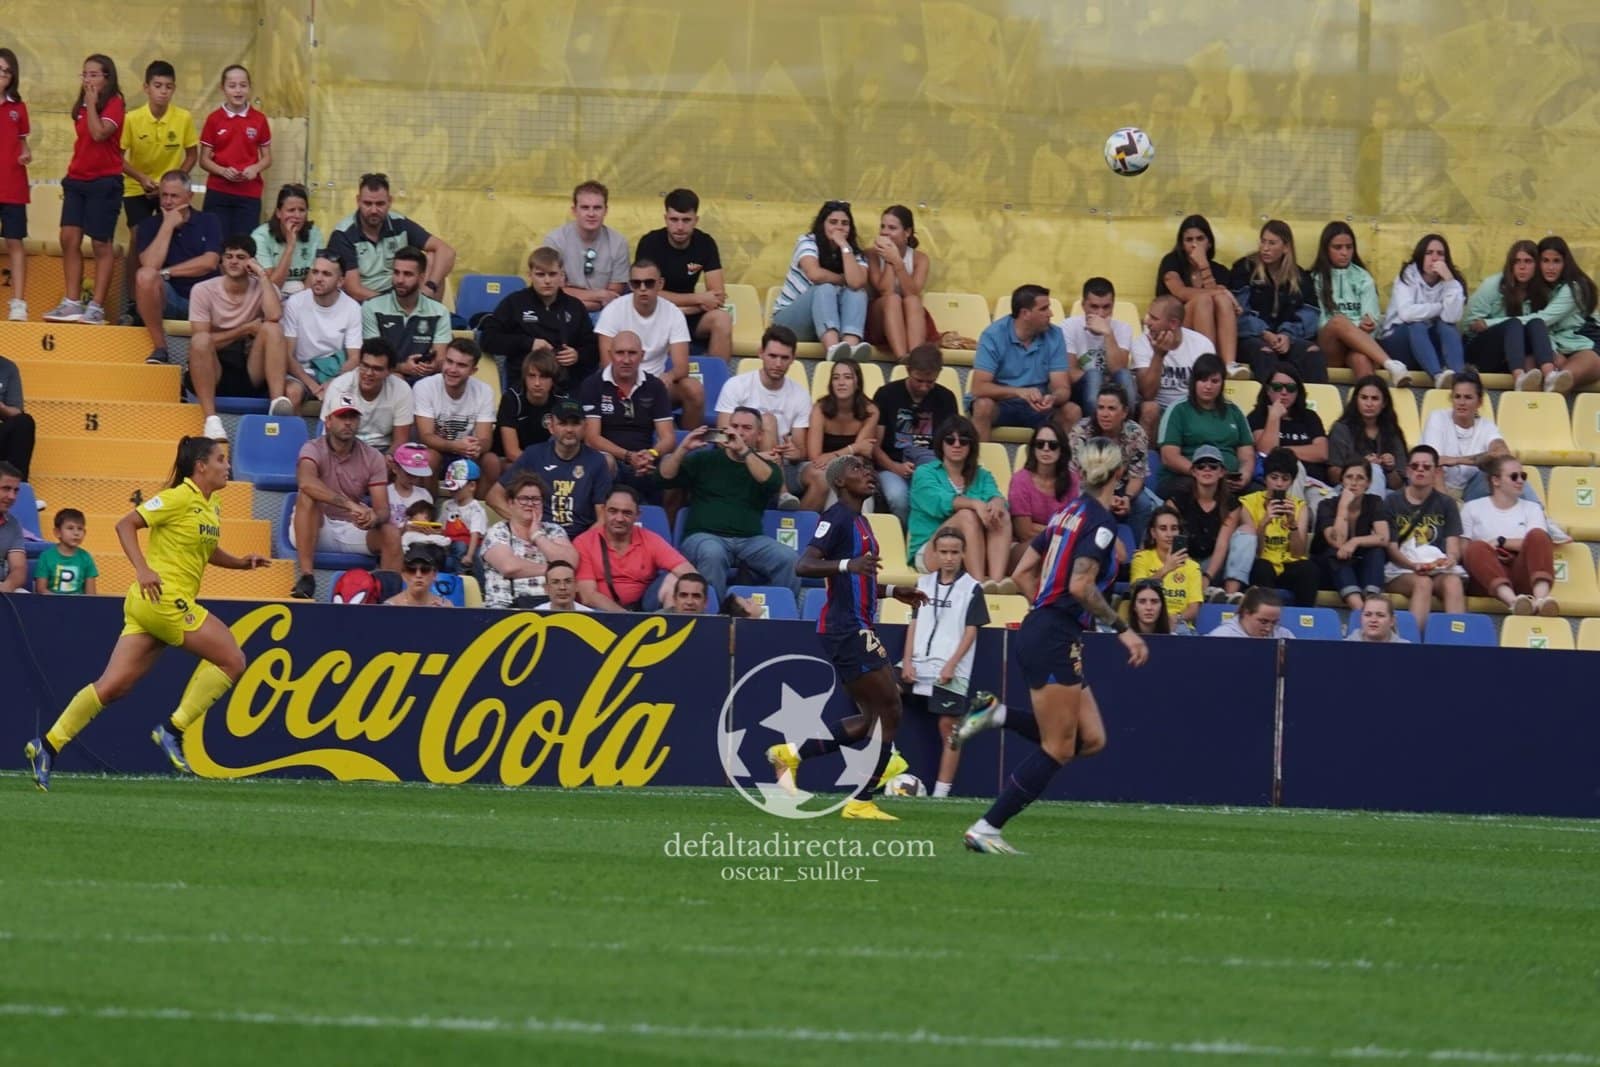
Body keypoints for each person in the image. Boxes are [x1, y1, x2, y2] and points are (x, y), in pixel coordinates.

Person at [24, 438, 270, 791]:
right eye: (221, 459)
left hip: (149, 606)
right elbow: (125, 525)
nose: (227, 466)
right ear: (201, 466)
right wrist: (142, 568)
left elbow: (208, 549)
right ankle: (173, 730)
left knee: (113, 687)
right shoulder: (177, 497)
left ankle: (48, 746)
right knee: (233, 659)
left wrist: (241, 564)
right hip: (164, 599)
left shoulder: (210, 503)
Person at [951, 437, 1148, 854]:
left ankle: (996, 714)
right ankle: (987, 827)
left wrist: (1045, 608)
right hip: (1054, 634)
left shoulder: (1067, 514)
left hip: (1049, 629)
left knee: (1090, 739)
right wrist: (1122, 628)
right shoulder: (1098, 523)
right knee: (1058, 747)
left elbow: (1022, 572)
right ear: (1118, 475)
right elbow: (1080, 584)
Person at [766, 455, 927, 821]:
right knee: (891, 708)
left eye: (869, 469)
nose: (868, 473)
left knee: (869, 718)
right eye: (857, 470)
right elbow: (804, 564)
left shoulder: (862, 522)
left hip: (857, 624)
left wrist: (890, 592)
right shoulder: (835, 518)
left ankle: (790, 755)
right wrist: (846, 565)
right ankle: (861, 801)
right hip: (846, 627)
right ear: (839, 482)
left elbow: (858, 579)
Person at [661, 413, 802, 603]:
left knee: (790, 559)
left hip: (750, 541)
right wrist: (682, 449)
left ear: (760, 435)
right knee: (713, 553)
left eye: (747, 428)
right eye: (734, 426)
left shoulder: (766, 465)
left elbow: (771, 482)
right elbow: (664, 478)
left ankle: (778, 614)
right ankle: (714, 620)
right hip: (704, 537)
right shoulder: (704, 460)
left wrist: (744, 452)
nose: (739, 432)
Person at [902, 526, 988, 798]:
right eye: (944, 552)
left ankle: (941, 793)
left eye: (954, 552)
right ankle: (885, 763)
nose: (949, 558)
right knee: (880, 696)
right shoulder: (923, 584)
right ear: (935, 554)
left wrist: (951, 664)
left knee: (948, 728)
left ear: (963, 554)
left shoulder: (972, 589)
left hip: (951, 669)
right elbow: (914, 624)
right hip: (918, 663)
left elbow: (971, 631)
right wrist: (906, 661)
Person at [289, 395, 402, 598]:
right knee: (307, 496)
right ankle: (307, 577)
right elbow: (305, 481)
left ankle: (387, 601)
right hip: (315, 526)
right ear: (328, 421)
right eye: (342, 417)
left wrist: (374, 517)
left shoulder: (373, 456)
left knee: (391, 534)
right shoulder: (312, 447)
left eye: (353, 417)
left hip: (350, 527)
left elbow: (383, 508)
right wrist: (351, 505)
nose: (348, 422)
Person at [185, 234, 294, 437]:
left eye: (241, 257)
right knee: (201, 340)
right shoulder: (202, 290)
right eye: (229, 256)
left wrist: (262, 276)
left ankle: (277, 404)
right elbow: (202, 341)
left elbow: (274, 315)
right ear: (222, 260)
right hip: (214, 369)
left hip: (249, 368)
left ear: (252, 261)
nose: (234, 261)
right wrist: (243, 330)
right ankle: (211, 421)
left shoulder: (263, 287)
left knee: (272, 328)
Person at [43, 54, 124, 327]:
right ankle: (72, 302)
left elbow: (99, 133)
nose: (88, 80)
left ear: (107, 77)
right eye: (84, 75)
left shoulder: (115, 103)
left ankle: (97, 307)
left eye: (93, 75)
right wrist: (87, 103)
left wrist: (91, 104)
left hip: (104, 181)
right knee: (68, 237)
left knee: (101, 243)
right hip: (77, 178)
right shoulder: (80, 106)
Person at [715, 325, 823, 510]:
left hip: (783, 464)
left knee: (821, 477)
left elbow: (800, 450)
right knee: (767, 420)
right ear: (761, 354)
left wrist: (794, 452)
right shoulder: (736, 385)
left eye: (784, 358)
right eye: (773, 356)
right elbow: (721, 439)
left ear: (793, 359)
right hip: (740, 459)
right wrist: (753, 454)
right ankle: (781, 493)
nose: (778, 364)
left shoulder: (800, 394)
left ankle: (797, 525)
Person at [129, 170, 221, 366]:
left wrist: (166, 273)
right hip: (167, 300)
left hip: (203, 303)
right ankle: (161, 348)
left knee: (152, 275)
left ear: (189, 196)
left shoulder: (209, 221)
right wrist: (168, 226)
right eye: (164, 195)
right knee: (145, 276)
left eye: (174, 196)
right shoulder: (149, 225)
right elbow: (149, 267)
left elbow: (209, 262)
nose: (168, 202)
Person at [596, 259, 701, 428]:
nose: (642, 288)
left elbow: (682, 367)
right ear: (630, 285)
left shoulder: (673, 313)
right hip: (620, 381)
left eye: (649, 283)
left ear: (660, 284)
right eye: (636, 283)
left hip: (656, 384)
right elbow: (607, 362)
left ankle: (688, 446)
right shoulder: (613, 311)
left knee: (693, 389)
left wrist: (669, 376)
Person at [477, 245, 598, 391]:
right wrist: (528, 343)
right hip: (522, 386)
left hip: (565, 386)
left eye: (552, 274)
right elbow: (488, 339)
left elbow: (593, 348)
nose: (547, 281)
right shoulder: (515, 303)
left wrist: (577, 355)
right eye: (540, 274)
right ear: (530, 275)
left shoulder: (574, 307)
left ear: (562, 275)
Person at [909, 415, 1010, 588]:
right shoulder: (924, 473)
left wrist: (997, 501)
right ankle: (977, 587)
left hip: (969, 552)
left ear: (971, 446)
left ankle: (996, 584)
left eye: (963, 441)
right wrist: (974, 504)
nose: (956, 445)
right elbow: (939, 503)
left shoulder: (982, 475)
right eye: (950, 440)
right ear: (941, 443)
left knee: (1002, 514)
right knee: (967, 516)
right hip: (931, 550)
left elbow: (995, 495)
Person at [490, 398, 611, 541]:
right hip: (537, 536)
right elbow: (494, 496)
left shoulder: (597, 461)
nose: (569, 430)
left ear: (585, 427)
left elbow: (602, 517)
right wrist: (524, 525)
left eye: (575, 424)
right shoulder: (533, 455)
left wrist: (579, 545)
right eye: (563, 423)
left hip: (580, 540)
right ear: (551, 427)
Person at [577, 329, 675, 503]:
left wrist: (651, 454)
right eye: (620, 353)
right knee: (605, 461)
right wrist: (629, 456)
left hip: (646, 461)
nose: (626, 360)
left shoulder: (655, 386)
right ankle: (601, 517)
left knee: (673, 463)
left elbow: (668, 438)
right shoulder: (592, 385)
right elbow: (592, 438)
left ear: (642, 355)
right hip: (610, 460)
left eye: (632, 353)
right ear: (610, 354)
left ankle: (668, 525)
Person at [634, 188, 732, 359]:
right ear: (666, 219)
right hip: (657, 314)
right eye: (674, 220)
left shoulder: (706, 243)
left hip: (690, 313)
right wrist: (699, 299)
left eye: (686, 220)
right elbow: (647, 293)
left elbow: (717, 296)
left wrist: (686, 309)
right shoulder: (650, 243)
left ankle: (719, 382)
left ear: (696, 220)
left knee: (722, 320)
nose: (680, 227)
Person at [1309, 221, 1410, 386]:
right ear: (1326, 249)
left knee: (1361, 360)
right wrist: (1354, 327)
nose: (1344, 253)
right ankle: (1391, 364)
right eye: (1338, 247)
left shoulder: (1363, 278)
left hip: (1359, 347)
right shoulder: (1315, 278)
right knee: (1337, 321)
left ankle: (1372, 404)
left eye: (1349, 247)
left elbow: (1373, 319)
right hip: (1330, 348)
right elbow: (1319, 323)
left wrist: (1367, 325)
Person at [969, 284, 1074, 441]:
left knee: (1072, 411)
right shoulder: (993, 335)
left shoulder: (1055, 334)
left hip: (1039, 406)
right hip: (1002, 405)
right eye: (1044, 309)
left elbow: (1062, 388)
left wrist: (1053, 398)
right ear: (1025, 313)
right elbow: (978, 387)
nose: (1050, 314)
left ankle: (1063, 465)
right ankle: (981, 463)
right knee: (982, 406)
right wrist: (1019, 392)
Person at [327, 172, 454, 302]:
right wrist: (394, 304)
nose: (374, 210)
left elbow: (447, 252)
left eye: (380, 204)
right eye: (368, 203)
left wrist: (430, 287)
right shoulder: (343, 234)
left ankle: (430, 315)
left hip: (401, 292)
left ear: (390, 201)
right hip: (365, 302)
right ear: (358, 201)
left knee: (434, 257)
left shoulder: (400, 223)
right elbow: (354, 290)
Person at [1130, 294, 1240, 443]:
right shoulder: (1141, 343)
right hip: (1160, 409)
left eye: (1154, 318)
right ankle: (1149, 460)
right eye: (1149, 315)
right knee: (1150, 408)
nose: (1147, 322)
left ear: (1173, 324)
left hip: (1191, 407)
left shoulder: (1201, 345)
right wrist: (1159, 355)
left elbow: (1209, 389)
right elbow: (1148, 394)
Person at [1460, 455, 1560, 616]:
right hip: (1487, 574)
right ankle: (1514, 602)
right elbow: (1464, 551)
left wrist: (1502, 542)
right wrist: (1488, 551)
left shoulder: (1532, 508)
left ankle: (1541, 600)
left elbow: (1535, 543)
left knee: (1539, 535)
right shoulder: (1472, 508)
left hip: (1520, 569)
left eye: (1523, 476)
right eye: (1514, 476)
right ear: (1496, 481)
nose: (1520, 481)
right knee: (1476, 547)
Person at [870, 343, 959, 525]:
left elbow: (951, 443)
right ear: (908, 370)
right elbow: (874, 444)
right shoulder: (887, 395)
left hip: (932, 467)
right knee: (898, 498)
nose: (925, 387)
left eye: (931, 382)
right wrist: (895, 467)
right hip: (891, 466)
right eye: (919, 380)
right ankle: (904, 538)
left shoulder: (946, 398)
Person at [770, 200, 871, 360]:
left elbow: (857, 282)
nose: (839, 227)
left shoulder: (852, 251)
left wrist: (844, 246)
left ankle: (849, 351)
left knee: (857, 293)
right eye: (833, 222)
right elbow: (815, 274)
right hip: (789, 324)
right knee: (825, 287)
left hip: (825, 323)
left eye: (845, 223)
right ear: (822, 224)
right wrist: (843, 279)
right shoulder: (807, 241)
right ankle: (832, 349)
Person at [1230, 220, 1327, 384]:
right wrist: (1264, 332)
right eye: (1263, 241)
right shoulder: (1245, 268)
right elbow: (1237, 311)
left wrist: (1287, 335)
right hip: (1251, 337)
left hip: (1286, 339)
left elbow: (1310, 315)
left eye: (1272, 243)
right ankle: (1268, 405)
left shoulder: (1301, 277)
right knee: (1265, 352)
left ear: (1286, 247)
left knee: (1313, 352)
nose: (1265, 248)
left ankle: (1311, 407)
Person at [1382, 444, 1467, 630]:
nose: (1420, 470)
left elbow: (1453, 547)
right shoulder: (1392, 501)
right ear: (1407, 470)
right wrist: (1413, 566)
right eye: (1415, 466)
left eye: (1426, 467)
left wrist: (1449, 560)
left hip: (1436, 569)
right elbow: (1391, 548)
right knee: (1423, 583)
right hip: (1401, 569)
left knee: (1453, 582)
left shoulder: (1446, 503)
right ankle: (1413, 645)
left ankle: (1458, 644)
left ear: (1436, 471)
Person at [573, 485, 693, 612]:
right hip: (599, 615)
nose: (619, 518)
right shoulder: (584, 542)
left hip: (644, 611)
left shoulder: (650, 539)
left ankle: (673, 627)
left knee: (675, 579)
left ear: (637, 515)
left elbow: (689, 573)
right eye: (613, 511)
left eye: (627, 513)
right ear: (603, 511)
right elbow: (588, 596)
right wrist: (627, 619)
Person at [1155, 352, 1254, 497]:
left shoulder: (1234, 411)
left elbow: (1247, 454)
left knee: (1258, 493)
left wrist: (1244, 475)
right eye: (1203, 380)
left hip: (1227, 481)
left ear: (1222, 384)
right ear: (1194, 382)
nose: (1208, 386)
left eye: (1214, 381)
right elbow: (1169, 456)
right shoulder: (1177, 409)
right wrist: (1204, 474)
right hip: (1187, 478)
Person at [1378, 233, 1468, 390]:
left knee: (1447, 327)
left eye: (1440, 254)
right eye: (1429, 253)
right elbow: (1406, 314)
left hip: (1429, 347)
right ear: (1420, 256)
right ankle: (1437, 376)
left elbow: (1452, 317)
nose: (1434, 258)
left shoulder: (1452, 282)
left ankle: (1460, 380)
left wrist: (1449, 280)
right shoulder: (1407, 275)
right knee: (1416, 324)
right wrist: (1440, 307)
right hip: (1399, 340)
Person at [480, 470, 577, 609]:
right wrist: (554, 571)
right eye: (524, 498)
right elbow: (509, 567)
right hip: (506, 610)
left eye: (536, 499)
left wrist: (537, 535)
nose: (530, 504)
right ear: (511, 503)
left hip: (551, 608)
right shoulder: (498, 531)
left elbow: (570, 562)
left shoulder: (554, 530)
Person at [1167, 444, 1251, 603]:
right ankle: (1202, 592)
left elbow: (1222, 544)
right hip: (1182, 561)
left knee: (1246, 533)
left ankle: (1228, 596)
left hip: (1213, 564)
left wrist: (1207, 576)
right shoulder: (1178, 499)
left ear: (1222, 472)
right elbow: (1165, 534)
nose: (1207, 470)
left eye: (1213, 466)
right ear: (1193, 471)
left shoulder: (1231, 503)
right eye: (1201, 466)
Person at [1070, 383, 1155, 539]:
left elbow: (1137, 475)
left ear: (1124, 412)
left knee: (1143, 504)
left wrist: (1127, 498)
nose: (1104, 414)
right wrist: (1104, 498)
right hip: (1088, 489)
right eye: (1101, 408)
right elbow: (1076, 477)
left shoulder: (1136, 434)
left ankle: (1136, 555)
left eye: (1111, 408)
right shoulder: (1080, 432)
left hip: (1122, 489)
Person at [197, 65, 270, 242]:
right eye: (232, 85)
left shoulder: (259, 119)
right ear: (223, 88)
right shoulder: (214, 119)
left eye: (243, 85)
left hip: (249, 194)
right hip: (219, 192)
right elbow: (204, 160)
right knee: (216, 244)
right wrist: (223, 171)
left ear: (250, 87)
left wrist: (255, 168)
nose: (238, 90)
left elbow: (267, 157)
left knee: (243, 246)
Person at [281, 251, 363, 408]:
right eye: (315, 272)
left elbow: (354, 358)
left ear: (340, 282)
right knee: (292, 393)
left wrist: (333, 382)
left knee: (342, 396)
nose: (318, 278)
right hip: (302, 372)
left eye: (326, 274)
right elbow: (287, 355)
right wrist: (312, 385)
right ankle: (297, 433)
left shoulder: (352, 308)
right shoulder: (295, 303)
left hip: (336, 373)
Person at [1238, 447, 1318, 605]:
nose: (1279, 484)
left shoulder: (1299, 506)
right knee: (1261, 567)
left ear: (1292, 481)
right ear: (1265, 478)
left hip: (1287, 565)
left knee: (1309, 569)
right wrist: (1264, 522)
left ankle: (1304, 622)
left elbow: (1297, 554)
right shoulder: (1248, 503)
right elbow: (1256, 552)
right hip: (1262, 564)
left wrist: (1292, 524)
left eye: (1285, 479)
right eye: (1274, 478)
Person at [1156, 214, 1238, 369]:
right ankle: (1208, 365)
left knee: (1221, 300)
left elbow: (1219, 302)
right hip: (1174, 327)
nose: (1194, 245)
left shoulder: (1220, 271)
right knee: (1204, 301)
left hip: (1212, 330)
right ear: (1181, 244)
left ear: (1209, 243)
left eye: (1200, 239)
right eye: (1189, 240)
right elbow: (1179, 292)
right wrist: (1221, 292)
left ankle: (1229, 364)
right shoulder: (1171, 261)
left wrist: (1204, 266)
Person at [413, 338, 497, 485]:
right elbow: (426, 436)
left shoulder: (484, 391)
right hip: (436, 451)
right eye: (449, 361)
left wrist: (476, 447)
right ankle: (429, 507)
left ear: (473, 371)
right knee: (430, 458)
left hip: (467, 453)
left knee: (491, 461)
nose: (452, 369)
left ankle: (477, 507)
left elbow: (486, 440)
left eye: (461, 365)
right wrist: (454, 446)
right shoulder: (424, 386)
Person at [361, 245, 453, 379]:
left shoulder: (439, 311)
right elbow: (372, 359)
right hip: (386, 378)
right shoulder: (372, 307)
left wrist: (432, 365)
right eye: (396, 272)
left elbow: (440, 357)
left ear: (422, 278)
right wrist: (403, 367)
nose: (400, 280)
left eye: (407, 274)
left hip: (426, 380)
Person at [1418, 370, 1512, 501]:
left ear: (1479, 402)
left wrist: (1456, 460)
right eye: (1457, 396)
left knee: (1509, 472)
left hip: (1470, 490)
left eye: (1468, 397)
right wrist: (1448, 511)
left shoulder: (1486, 426)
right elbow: (1433, 467)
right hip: (1437, 490)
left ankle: (1540, 515)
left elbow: (1503, 454)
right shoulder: (1438, 418)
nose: (1461, 402)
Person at [1523, 236, 1600, 394]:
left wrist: (1491, 323)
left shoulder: (1575, 287)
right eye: (1545, 261)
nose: (1550, 267)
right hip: (1556, 346)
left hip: (1585, 343)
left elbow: (1543, 320)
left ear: (1565, 263)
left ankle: (1555, 389)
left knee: (1563, 377)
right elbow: (1538, 330)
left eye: (1556, 261)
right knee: (1530, 365)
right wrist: (1553, 353)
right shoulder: (1533, 290)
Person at [1462, 240, 1547, 379]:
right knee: (1513, 325)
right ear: (1510, 265)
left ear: (1537, 265)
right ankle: (1519, 377)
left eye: (1528, 261)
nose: (1522, 267)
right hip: (1480, 353)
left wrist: (1491, 322)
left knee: (1536, 323)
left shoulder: (1542, 291)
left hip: (1515, 355)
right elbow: (1468, 325)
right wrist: (1496, 326)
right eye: (1517, 261)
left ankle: (1549, 375)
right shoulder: (1493, 284)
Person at [1312, 464, 1390, 611]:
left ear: (1368, 483)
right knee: (1334, 553)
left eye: (1360, 478)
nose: (1354, 482)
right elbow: (1337, 542)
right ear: (1342, 481)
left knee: (1376, 550)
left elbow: (1383, 538)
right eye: (1349, 477)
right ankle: (1360, 609)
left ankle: (1371, 600)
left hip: (1361, 570)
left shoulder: (1374, 502)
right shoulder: (1326, 505)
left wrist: (1355, 541)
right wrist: (1343, 507)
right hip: (1329, 571)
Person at [543, 179, 629, 311]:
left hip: (604, 314)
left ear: (606, 210)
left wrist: (573, 292)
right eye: (585, 207)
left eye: (597, 208)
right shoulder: (555, 241)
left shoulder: (618, 243)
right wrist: (598, 295)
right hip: (562, 310)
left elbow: (613, 295)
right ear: (574, 210)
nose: (591, 214)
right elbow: (553, 289)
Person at [321, 338, 414, 452]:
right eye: (365, 366)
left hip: (384, 451)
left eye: (377, 369)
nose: (369, 373)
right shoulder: (339, 386)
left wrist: (382, 462)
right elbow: (328, 435)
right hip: (346, 450)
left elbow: (400, 441)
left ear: (389, 371)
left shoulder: (402, 390)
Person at [865, 204, 931, 360]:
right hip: (877, 319)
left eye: (892, 228)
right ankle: (902, 358)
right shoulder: (871, 255)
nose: (885, 232)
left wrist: (898, 263)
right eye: (883, 226)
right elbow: (885, 291)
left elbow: (912, 292)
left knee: (913, 301)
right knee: (893, 299)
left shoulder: (920, 259)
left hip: (906, 317)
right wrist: (889, 259)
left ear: (907, 232)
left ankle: (915, 359)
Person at [1062, 277, 1137, 416]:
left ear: (1113, 305)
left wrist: (1108, 333)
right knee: (1094, 376)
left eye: (1106, 307)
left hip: (1113, 392)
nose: (1100, 314)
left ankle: (1128, 429)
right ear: (1084, 305)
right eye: (1094, 307)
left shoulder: (1123, 328)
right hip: (1081, 390)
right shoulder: (1069, 326)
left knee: (1125, 375)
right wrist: (1099, 382)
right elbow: (1071, 374)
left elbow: (1118, 369)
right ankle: (1093, 428)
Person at [1246, 362, 1329, 484]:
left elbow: (1322, 453)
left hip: (1313, 482)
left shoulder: (1310, 417)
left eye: (1290, 388)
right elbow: (1265, 452)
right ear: (1268, 390)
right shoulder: (1257, 416)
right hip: (1277, 483)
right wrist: (1274, 417)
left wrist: (1281, 451)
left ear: (1297, 392)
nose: (1284, 392)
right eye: (1277, 387)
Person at [1326, 374, 1408, 492]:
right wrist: (1362, 466)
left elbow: (1398, 485)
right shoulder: (1341, 429)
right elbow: (1332, 476)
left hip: (1385, 492)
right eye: (1364, 398)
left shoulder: (1392, 431)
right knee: (1374, 469)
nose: (1369, 404)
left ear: (1384, 403)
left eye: (1375, 399)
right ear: (1356, 400)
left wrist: (1390, 469)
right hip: (1347, 489)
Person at [1009, 424, 1076, 563]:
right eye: (1040, 444)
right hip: (1022, 548)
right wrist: (1059, 530)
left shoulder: (1072, 480)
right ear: (1033, 449)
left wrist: (1045, 529)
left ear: (1061, 449)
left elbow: (1073, 524)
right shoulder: (1020, 480)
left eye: (1053, 445)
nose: (1046, 449)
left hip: (1061, 545)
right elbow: (1024, 532)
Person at [1130, 504, 1202, 630]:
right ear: (1153, 533)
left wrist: (1175, 618)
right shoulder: (1141, 558)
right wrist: (1166, 569)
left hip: (1178, 624)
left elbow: (1193, 609)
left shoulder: (1192, 567)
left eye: (1174, 528)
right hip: (1148, 623)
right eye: (1163, 528)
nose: (1169, 534)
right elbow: (1136, 590)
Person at [806, 359, 879, 474]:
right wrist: (853, 448)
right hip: (823, 470)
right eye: (836, 378)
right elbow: (815, 458)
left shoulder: (870, 411)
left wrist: (832, 455)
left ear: (858, 384)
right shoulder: (820, 409)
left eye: (847, 377)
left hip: (855, 470)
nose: (841, 382)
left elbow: (860, 457)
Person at [251, 183, 322, 295]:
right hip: (270, 295)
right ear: (279, 213)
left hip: (303, 294)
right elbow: (272, 287)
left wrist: (300, 302)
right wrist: (290, 246)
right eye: (291, 210)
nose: (297, 215)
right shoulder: (261, 236)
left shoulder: (314, 233)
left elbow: (315, 278)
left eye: (302, 210)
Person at [0, 48, 28, 321]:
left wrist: (26, 153)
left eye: (6, 71)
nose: (1, 75)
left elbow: (23, 142)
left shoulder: (17, 107)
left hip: (13, 187)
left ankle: (18, 303)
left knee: (14, 242)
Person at [494, 348, 558, 462]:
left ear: (553, 380)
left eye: (543, 377)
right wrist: (543, 468)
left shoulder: (562, 400)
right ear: (524, 377)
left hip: (548, 460)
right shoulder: (512, 399)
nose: (537, 383)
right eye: (532, 376)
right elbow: (512, 452)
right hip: (514, 462)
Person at [437, 459, 487, 574]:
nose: (452, 492)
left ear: (472, 486)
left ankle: (460, 576)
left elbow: (475, 534)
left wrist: (469, 556)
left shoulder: (475, 509)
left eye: (457, 489)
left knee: (461, 547)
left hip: (468, 546)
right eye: (450, 489)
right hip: (449, 543)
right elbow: (441, 527)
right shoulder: (447, 505)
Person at [33, 507, 98, 595]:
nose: (76, 533)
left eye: (80, 529)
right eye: (70, 528)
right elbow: (41, 590)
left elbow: (91, 594)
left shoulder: (86, 558)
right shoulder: (46, 557)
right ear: (57, 532)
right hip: (51, 605)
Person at [1206, 586, 1295, 638]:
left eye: (1274, 622)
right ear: (1246, 613)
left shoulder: (1284, 636)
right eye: (1263, 622)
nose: (1269, 628)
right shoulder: (1221, 637)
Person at [0, 351, 36, 478]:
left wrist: (1, 407)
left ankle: (15, 485)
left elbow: (16, 411)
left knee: (24, 422)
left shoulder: (7, 368)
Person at [386, 546, 452, 608]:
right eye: (411, 570)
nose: (418, 575)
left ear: (434, 575)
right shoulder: (390, 606)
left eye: (425, 570)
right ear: (403, 575)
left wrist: (443, 616)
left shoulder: (446, 606)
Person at [386, 442, 434, 528]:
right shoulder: (384, 493)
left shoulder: (424, 495)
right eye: (409, 474)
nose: (414, 479)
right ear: (395, 468)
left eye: (417, 475)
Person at [0, 462, 22, 592]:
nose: (12, 496)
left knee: (23, 595)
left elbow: (19, 568)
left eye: (16, 490)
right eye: (6, 489)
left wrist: (8, 586)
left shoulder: (13, 524)